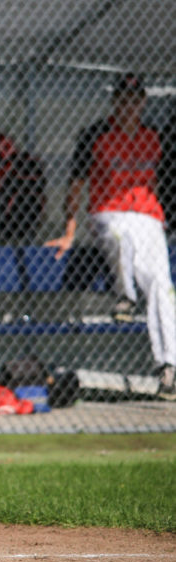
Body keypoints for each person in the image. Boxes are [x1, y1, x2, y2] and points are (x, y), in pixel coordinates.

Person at [45, 72, 176, 399]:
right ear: (114, 101)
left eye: (135, 98)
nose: (129, 104)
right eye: (123, 98)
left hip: (147, 215)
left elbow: (158, 183)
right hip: (108, 211)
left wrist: (158, 217)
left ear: (143, 101)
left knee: (162, 286)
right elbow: (75, 187)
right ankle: (125, 296)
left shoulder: (154, 136)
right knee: (119, 235)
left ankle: (169, 368)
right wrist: (69, 232)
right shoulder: (95, 135)